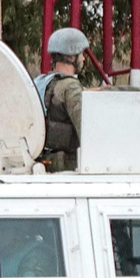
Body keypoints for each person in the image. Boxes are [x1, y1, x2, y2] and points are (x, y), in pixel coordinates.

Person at [34, 27, 89, 172]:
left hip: (42, 161)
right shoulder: (71, 88)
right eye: (81, 54)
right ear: (71, 57)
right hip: (64, 166)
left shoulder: (41, 82)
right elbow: (87, 132)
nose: (83, 59)